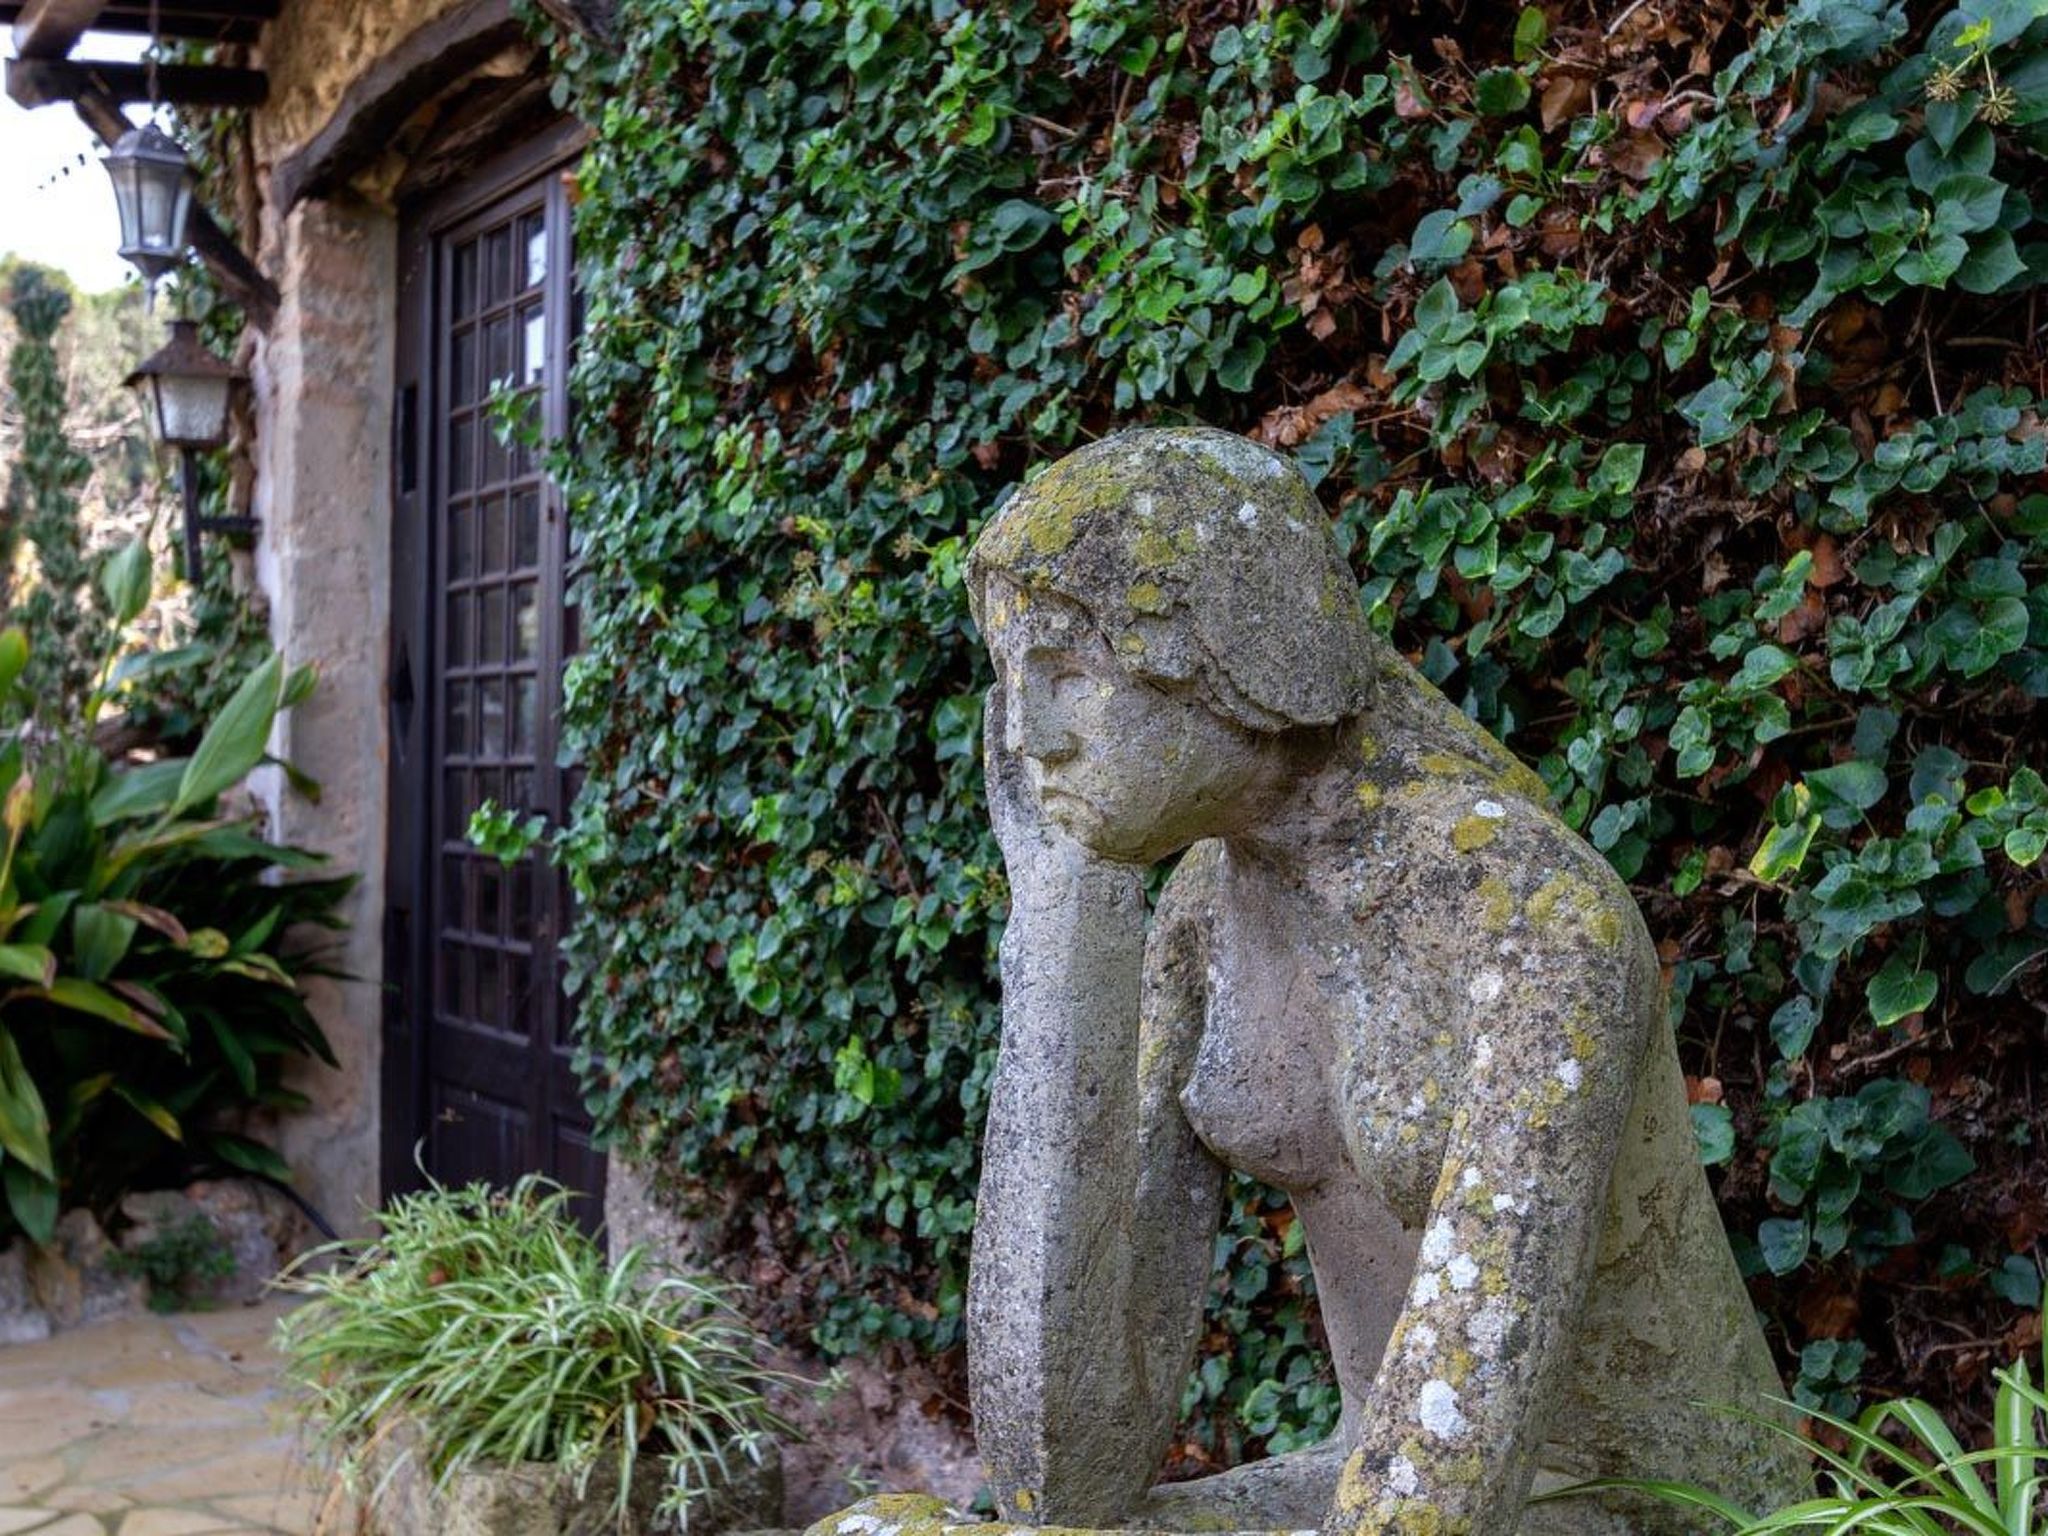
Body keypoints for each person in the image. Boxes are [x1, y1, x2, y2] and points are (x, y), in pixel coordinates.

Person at [962, 427, 1806, 1536]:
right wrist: (1062, 935)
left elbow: (1440, 1505)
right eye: (1013, 684)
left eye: (1070, 676)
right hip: (1379, 1480)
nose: (1029, 739)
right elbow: (1054, 1485)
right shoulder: (1202, 916)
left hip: (1646, 1509)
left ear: (1231, 663)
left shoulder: (1530, 928)